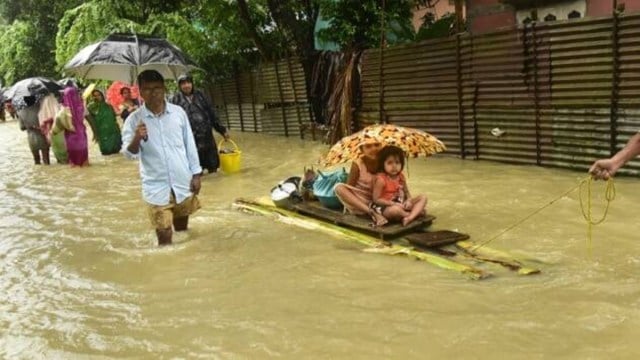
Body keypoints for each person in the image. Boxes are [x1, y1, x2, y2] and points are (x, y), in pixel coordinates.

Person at [121, 70, 202, 246]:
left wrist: (196, 174)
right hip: (156, 185)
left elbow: (190, 145)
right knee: (164, 234)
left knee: (182, 228)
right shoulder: (134, 120)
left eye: (157, 88)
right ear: (140, 92)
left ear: (164, 89)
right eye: (147, 89)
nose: (153, 92)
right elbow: (128, 154)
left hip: (182, 181)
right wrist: (137, 137)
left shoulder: (178, 113)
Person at [171, 74, 230, 174]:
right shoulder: (176, 100)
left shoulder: (201, 95)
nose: (186, 86)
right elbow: (172, 122)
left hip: (206, 137)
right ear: (180, 86)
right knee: (196, 171)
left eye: (188, 82)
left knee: (213, 169)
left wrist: (222, 131)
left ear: (192, 84)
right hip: (190, 141)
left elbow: (212, 114)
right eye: (183, 83)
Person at [334, 139, 388, 226]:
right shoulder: (358, 163)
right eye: (368, 146)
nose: (374, 148)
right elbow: (349, 187)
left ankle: (376, 211)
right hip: (360, 201)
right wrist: (346, 207)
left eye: (377, 145)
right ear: (362, 150)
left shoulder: (387, 162)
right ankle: (371, 212)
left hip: (378, 200)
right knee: (339, 188)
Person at [372, 145, 427, 226]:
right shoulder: (381, 179)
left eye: (397, 162)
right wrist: (393, 204)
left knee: (423, 197)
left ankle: (409, 218)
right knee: (395, 211)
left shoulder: (401, 176)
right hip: (386, 207)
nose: (394, 166)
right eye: (389, 163)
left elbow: (407, 192)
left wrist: (408, 201)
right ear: (383, 164)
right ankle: (411, 214)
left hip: (402, 204)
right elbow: (376, 199)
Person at [86, 89, 122, 155]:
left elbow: (114, 115)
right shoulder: (91, 107)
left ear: (102, 95)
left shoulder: (108, 105)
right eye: (95, 96)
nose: (97, 97)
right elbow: (89, 119)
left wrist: (123, 110)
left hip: (114, 131)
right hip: (102, 133)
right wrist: (95, 133)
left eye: (99, 95)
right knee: (106, 151)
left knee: (117, 151)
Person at [60, 86, 89, 167]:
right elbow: (86, 116)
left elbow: (60, 123)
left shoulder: (63, 109)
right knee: (85, 161)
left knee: (72, 162)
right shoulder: (81, 106)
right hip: (81, 135)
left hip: (70, 136)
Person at [17, 96, 50, 165]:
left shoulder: (20, 112)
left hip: (31, 138)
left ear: (25, 101)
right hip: (42, 135)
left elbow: (22, 128)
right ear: (35, 99)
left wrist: (29, 126)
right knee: (46, 160)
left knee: (36, 161)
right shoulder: (40, 108)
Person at [38, 94, 68, 164]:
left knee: (57, 152)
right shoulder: (59, 106)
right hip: (60, 131)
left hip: (51, 133)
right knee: (64, 152)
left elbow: (42, 124)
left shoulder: (42, 110)